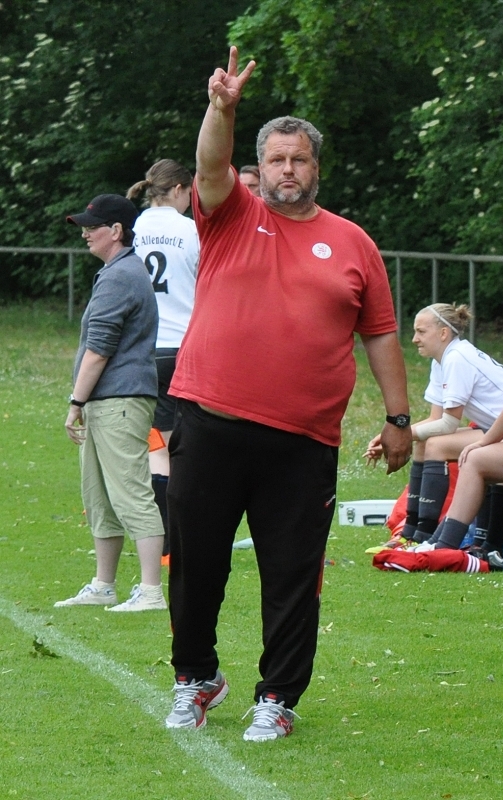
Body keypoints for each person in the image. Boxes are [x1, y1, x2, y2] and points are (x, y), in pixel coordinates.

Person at [164, 46, 412, 741]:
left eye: (298, 159)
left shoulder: (353, 243)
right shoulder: (230, 215)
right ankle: (195, 678)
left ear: (316, 167)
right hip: (208, 422)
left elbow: (381, 335)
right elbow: (211, 164)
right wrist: (222, 108)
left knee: (292, 576)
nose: (287, 170)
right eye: (275, 159)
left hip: (301, 441)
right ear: (261, 167)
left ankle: (276, 696)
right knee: (197, 566)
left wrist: (399, 419)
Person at [56, 194, 167, 611]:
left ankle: (152, 591)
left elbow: (99, 349)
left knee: (131, 493)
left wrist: (75, 402)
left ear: (116, 231)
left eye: (92, 226)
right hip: (108, 400)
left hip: (120, 399)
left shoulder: (120, 275)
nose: (85, 233)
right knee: (99, 495)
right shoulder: (116, 271)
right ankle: (104, 584)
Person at [366, 303, 503, 546]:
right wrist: (394, 435)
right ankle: (410, 532)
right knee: (424, 443)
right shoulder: (442, 359)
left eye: (421, 331)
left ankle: (424, 536)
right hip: (498, 430)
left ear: (444, 333)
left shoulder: (457, 358)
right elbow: (434, 419)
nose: (415, 339)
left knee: (435, 445)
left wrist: (401, 436)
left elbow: (447, 424)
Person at [422, 281, 503, 551]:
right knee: (490, 460)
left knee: (476, 459)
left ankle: (442, 545)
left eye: (421, 331)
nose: (415, 339)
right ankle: (487, 547)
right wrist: (501, 443)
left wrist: (483, 442)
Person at [126, 160, 200, 559]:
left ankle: (158, 539)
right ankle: (174, 541)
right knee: (176, 448)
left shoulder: (131, 227)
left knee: (151, 445)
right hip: (180, 347)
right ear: (178, 189)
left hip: (137, 348)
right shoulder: (192, 230)